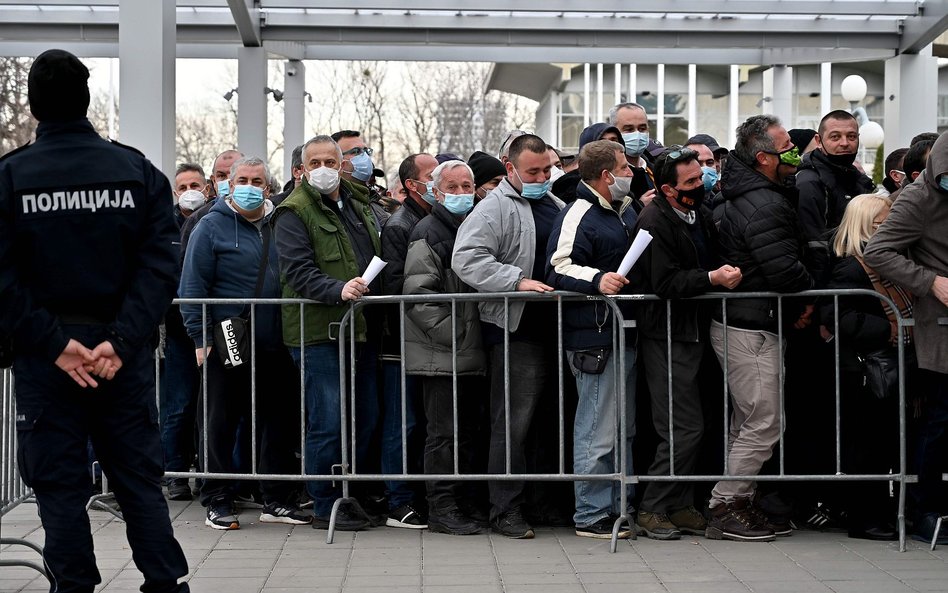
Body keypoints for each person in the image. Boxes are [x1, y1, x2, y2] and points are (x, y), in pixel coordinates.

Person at [0, 49, 188, 593]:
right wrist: (121, 341)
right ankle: (164, 583)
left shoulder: (11, 178)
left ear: (34, 103)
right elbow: (160, 266)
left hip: (46, 360)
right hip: (117, 359)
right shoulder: (136, 172)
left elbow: (2, 279)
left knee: (59, 486)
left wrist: (55, 344)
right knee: (136, 481)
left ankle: (74, 585)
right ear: (86, 98)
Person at [179, 156, 309, 530]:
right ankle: (217, 499)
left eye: (257, 180)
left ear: (268, 187)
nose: (250, 186)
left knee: (278, 420)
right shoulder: (209, 227)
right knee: (220, 419)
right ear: (230, 185)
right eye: (243, 180)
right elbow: (192, 287)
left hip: (277, 339)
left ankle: (277, 497)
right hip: (227, 340)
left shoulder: (282, 223)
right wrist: (200, 338)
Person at [453, 133, 565, 539]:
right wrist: (516, 281)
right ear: (510, 168)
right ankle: (506, 508)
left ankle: (538, 502)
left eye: (547, 169)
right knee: (512, 426)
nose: (542, 176)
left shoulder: (555, 204)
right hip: (513, 330)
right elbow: (466, 258)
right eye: (532, 171)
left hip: (553, 328)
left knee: (542, 424)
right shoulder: (493, 208)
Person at [709, 115, 813, 542]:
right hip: (751, 325)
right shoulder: (765, 202)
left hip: (748, 322)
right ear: (765, 158)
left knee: (748, 420)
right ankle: (725, 502)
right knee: (765, 421)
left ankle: (740, 502)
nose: (797, 152)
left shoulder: (746, 192)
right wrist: (811, 295)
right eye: (788, 145)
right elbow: (783, 268)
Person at [632, 146, 743, 541]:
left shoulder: (697, 213)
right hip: (667, 333)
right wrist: (711, 279)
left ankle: (677, 503)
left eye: (701, 177)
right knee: (682, 427)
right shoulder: (653, 221)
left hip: (692, 330)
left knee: (696, 424)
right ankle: (652, 507)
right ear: (666, 188)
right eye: (692, 181)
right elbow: (664, 283)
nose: (701, 185)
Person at [273, 135, 383, 531]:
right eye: (314, 161)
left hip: (360, 329)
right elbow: (297, 271)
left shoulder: (360, 202)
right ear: (302, 169)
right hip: (318, 332)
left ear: (341, 164)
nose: (322, 167)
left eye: (329, 160)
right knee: (327, 421)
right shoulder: (292, 211)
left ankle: (353, 493)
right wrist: (336, 290)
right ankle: (324, 502)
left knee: (365, 417)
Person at [545, 139, 638, 539]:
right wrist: (599, 279)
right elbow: (558, 267)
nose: (631, 172)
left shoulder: (618, 211)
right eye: (625, 166)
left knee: (621, 427)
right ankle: (591, 512)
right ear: (606, 175)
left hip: (615, 332)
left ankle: (617, 506)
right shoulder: (578, 212)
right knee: (597, 429)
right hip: (594, 336)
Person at [864, 131, 948, 545]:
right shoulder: (920, 197)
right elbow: (879, 251)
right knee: (939, 424)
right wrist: (931, 282)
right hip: (942, 326)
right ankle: (926, 510)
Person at [403, 160, 486, 535]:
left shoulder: (471, 225)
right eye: (453, 187)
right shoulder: (429, 231)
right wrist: (459, 333)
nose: (462, 194)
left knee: (465, 431)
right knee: (444, 434)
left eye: (467, 186)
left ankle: (464, 502)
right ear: (436, 192)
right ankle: (442, 506)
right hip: (442, 352)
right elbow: (419, 296)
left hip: (466, 351)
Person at [819, 193, 907, 541]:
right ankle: (865, 518)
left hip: (877, 366)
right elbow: (836, 315)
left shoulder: (883, 263)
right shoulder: (851, 266)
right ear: (866, 226)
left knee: (881, 444)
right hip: (865, 370)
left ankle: (877, 515)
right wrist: (889, 329)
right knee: (868, 446)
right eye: (883, 224)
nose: (890, 230)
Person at [376, 152, 442, 530]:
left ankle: (415, 494)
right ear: (412, 186)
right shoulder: (402, 225)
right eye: (431, 177)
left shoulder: (429, 219)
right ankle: (398, 500)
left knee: (420, 423)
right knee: (404, 422)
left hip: (424, 339)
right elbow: (398, 285)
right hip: (401, 341)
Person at [795, 110, 875, 277]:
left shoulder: (859, 179)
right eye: (835, 137)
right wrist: (817, 295)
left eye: (852, 136)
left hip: (856, 277)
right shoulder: (809, 182)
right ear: (818, 140)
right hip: (831, 285)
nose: (845, 143)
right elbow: (814, 244)